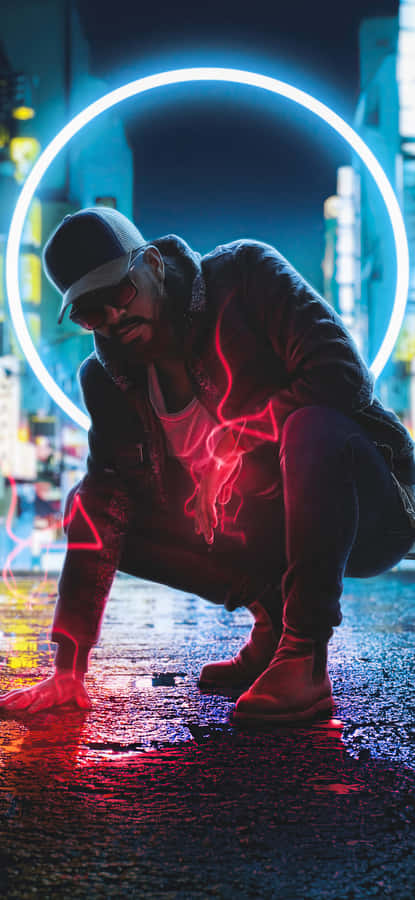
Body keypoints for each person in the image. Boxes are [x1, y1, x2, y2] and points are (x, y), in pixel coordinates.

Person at [1, 207, 414, 722]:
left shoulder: (246, 277)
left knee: (311, 425)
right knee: (87, 506)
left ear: (152, 263)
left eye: (119, 294)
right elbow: (105, 500)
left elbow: (341, 375)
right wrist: (68, 665)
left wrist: (233, 444)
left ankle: (304, 657)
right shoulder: (108, 381)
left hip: (367, 507)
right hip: (265, 535)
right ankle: (274, 624)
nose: (111, 318)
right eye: (90, 312)